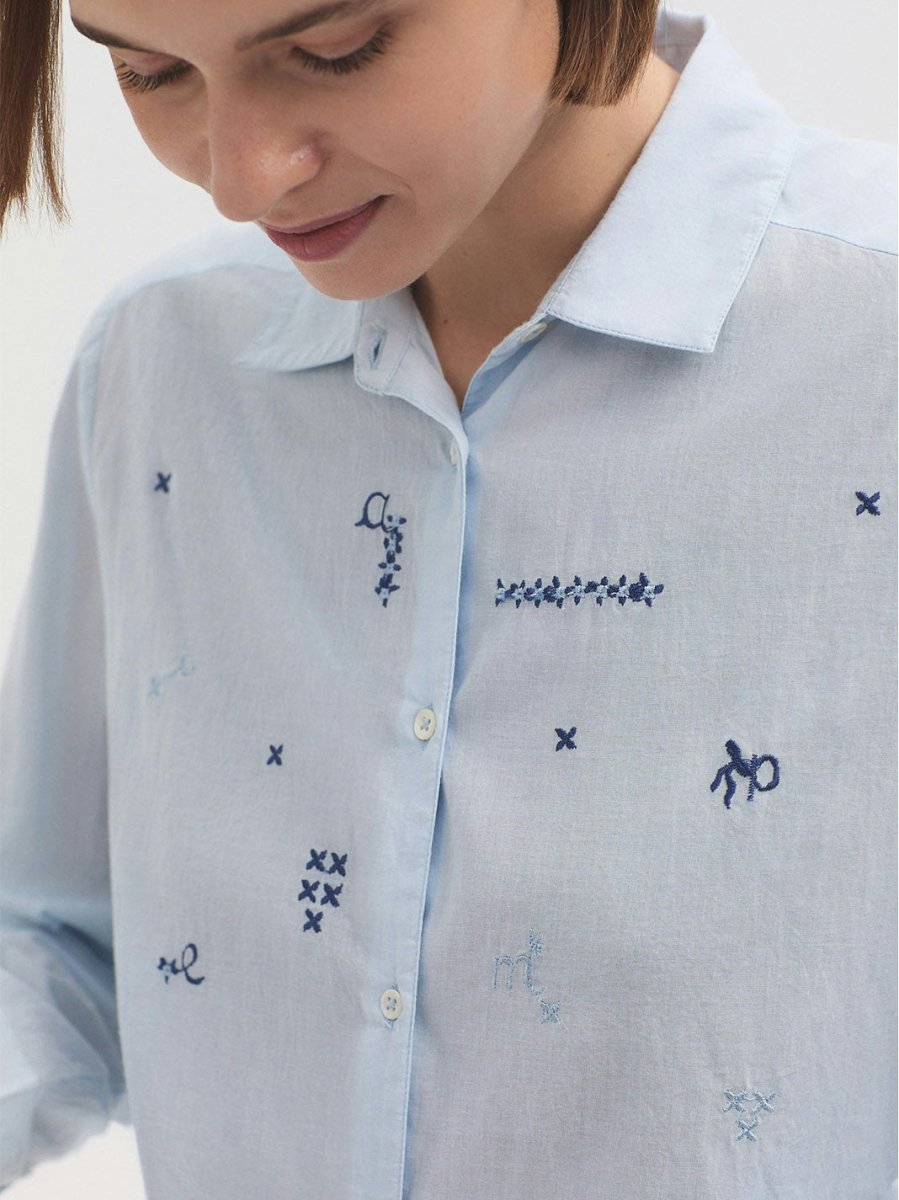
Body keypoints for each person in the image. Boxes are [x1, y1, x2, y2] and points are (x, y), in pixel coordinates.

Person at [0, 0, 895, 1195]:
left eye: (333, 51)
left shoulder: (867, 349)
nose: (241, 176)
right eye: (150, 73)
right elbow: (53, 937)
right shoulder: (160, 361)